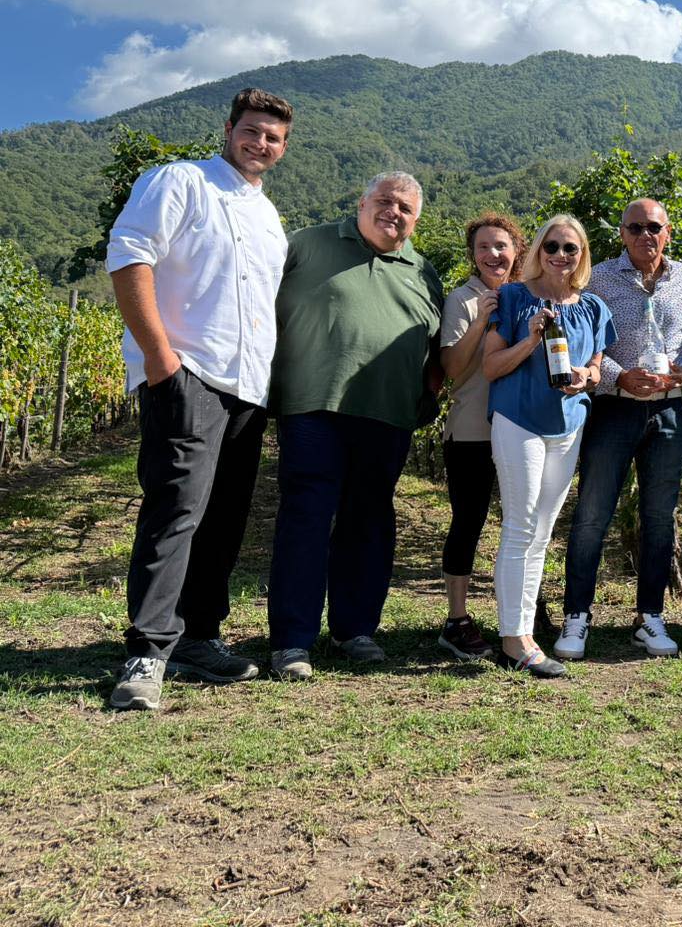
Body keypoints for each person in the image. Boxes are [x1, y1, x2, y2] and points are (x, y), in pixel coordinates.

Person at [105, 88, 293, 710]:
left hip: (248, 387)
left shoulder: (269, 217)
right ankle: (148, 650)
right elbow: (130, 254)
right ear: (229, 128)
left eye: (272, 136)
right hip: (191, 373)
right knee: (176, 510)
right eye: (252, 130)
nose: (260, 142)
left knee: (225, 517)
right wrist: (161, 358)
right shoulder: (180, 181)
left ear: (283, 148)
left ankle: (199, 637)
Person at [267, 172, 444, 681]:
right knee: (306, 519)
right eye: (385, 201)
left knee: (369, 521)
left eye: (406, 208)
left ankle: (356, 629)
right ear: (361, 202)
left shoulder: (422, 270)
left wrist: (427, 393)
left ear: (416, 220)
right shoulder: (307, 244)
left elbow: (434, 348)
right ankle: (292, 641)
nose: (394, 212)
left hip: (388, 414)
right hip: (312, 406)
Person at [553, 199, 682, 662]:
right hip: (614, 410)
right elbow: (588, 342)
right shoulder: (598, 278)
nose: (645, 235)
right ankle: (576, 616)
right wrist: (620, 376)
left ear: (668, 232)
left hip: (669, 412)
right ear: (621, 233)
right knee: (593, 515)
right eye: (635, 227)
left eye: (653, 227)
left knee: (660, 517)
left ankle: (649, 617)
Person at [482, 214, 614, 677]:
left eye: (570, 249)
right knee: (520, 525)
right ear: (538, 251)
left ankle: (522, 634)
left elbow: (597, 369)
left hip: (568, 427)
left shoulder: (595, 308)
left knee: (541, 531)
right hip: (519, 421)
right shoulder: (515, 298)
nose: (560, 255)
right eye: (552, 247)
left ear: (582, 256)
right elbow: (491, 368)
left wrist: (586, 377)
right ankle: (514, 638)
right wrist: (531, 339)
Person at [436, 213, 527, 660]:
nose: (493, 254)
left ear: (517, 250)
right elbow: (453, 369)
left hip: (523, 428)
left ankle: (524, 611)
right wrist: (483, 320)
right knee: (468, 521)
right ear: (473, 255)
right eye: (484, 247)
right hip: (473, 429)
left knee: (522, 523)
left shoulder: (530, 296)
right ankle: (456, 619)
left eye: (501, 246)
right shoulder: (463, 299)